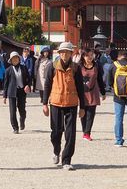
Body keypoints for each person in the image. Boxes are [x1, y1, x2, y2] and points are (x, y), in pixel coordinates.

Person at [42, 42, 86, 170]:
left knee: (70, 134)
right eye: (62, 52)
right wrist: (44, 104)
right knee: (56, 132)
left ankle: (66, 160)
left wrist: (82, 107)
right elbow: (47, 85)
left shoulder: (76, 68)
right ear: (59, 53)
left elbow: (80, 88)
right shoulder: (52, 66)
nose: (64, 54)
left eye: (67, 52)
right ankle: (56, 150)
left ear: (71, 53)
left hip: (71, 103)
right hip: (55, 103)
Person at [79, 49, 105, 141]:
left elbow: (100, 79)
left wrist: (103, 92)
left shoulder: (96, 65)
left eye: (91, 55)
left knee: (91, 114)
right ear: (83, 56)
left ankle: (87, 133)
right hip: (82, 93)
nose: (89, 57)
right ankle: (84, 131)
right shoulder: (79, 66)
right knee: (83, 113)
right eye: (87, 55)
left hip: (93, 92)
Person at [3, 51, 30, 133]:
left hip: (22, 91)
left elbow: (29, 78)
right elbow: (5, 83)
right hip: (12, 92)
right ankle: (15, 128)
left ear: (19, 59)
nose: (15, 59)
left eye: (16, 58)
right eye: (13, 58)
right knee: (12, 111)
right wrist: (4, 96)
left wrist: (27, 85)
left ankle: (22, 121)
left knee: (22, 110)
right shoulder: (8, 70)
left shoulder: (23, 68)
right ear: (10, 60)